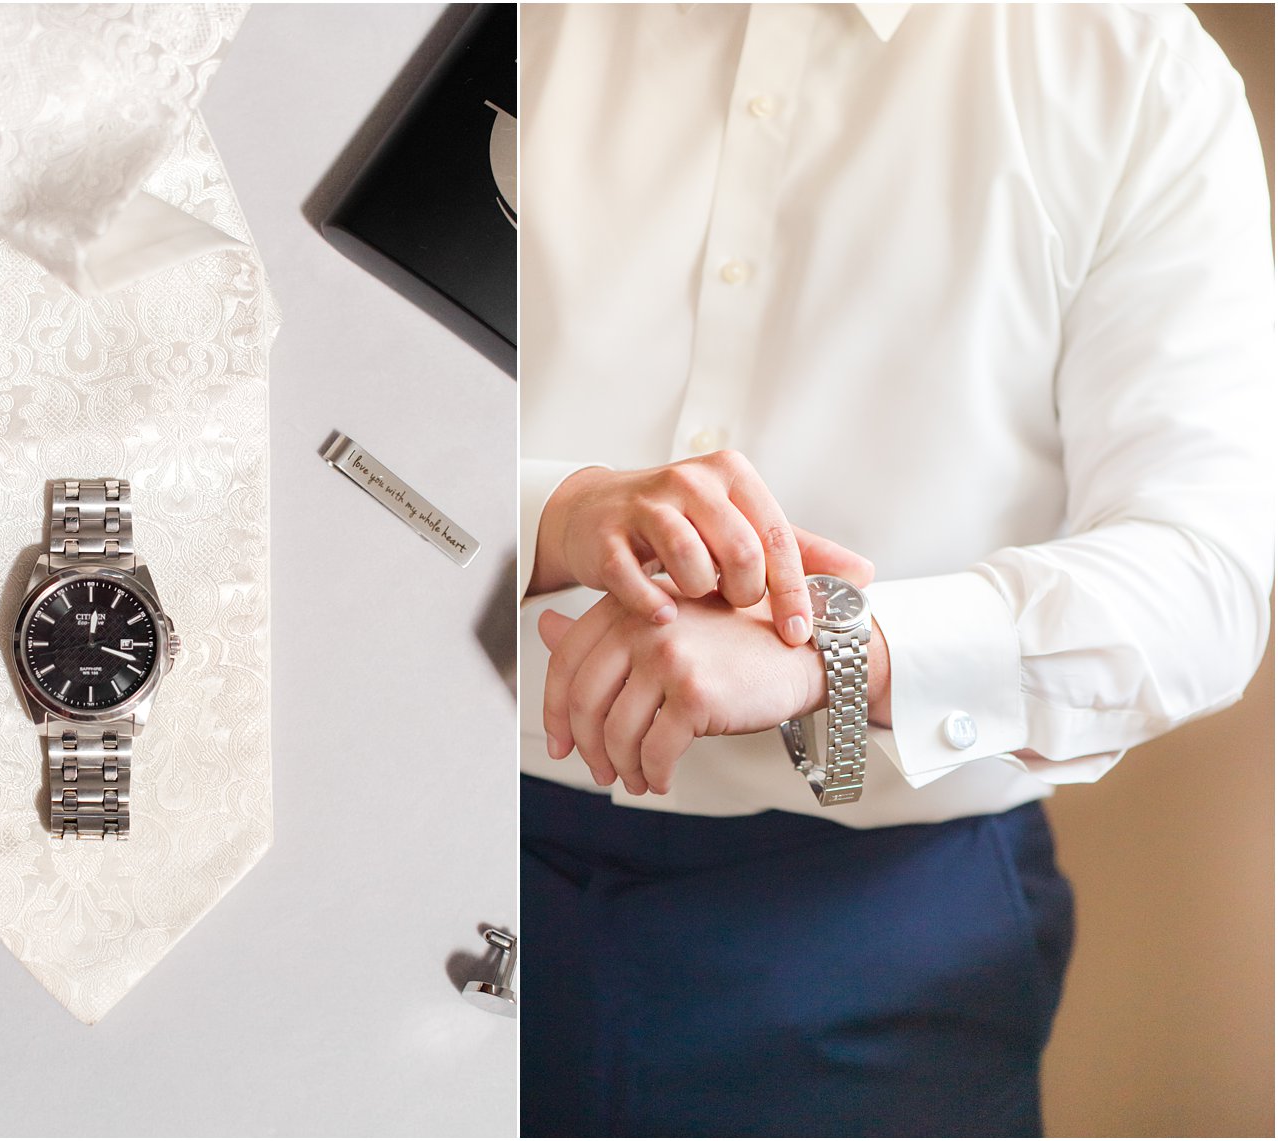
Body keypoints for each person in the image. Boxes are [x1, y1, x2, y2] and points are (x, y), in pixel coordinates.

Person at [517, 4, 1274, 1136]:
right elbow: (290, 400)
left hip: (875, 943)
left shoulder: (1131, 68)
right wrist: (549, 512)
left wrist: (825, 645)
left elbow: (1203, 579)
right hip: (413, 854)